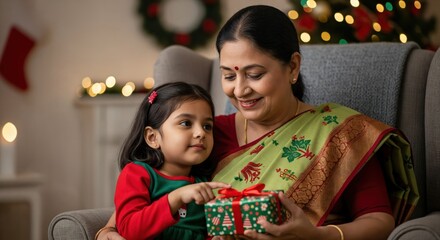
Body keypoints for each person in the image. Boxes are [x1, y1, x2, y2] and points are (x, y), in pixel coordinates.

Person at [97, 5, 418, 240]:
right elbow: (138, 208)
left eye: (254, 74)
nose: (239, 90)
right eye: (228, 75)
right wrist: (108, 234)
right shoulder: (207, 134)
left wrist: (318, 237)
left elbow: (379, 219)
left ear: (292, 67)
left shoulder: (341, 133)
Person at [112, 82, 230, 240]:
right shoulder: (137, 174)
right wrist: (176, 197)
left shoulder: (204, 185)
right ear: (152, 137)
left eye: (207, 126)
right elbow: (129, 231)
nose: (201, 133)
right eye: (186, 123)